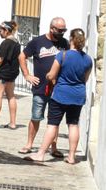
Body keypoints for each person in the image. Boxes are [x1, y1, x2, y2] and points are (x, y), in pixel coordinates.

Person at [30, 28, 94, 165]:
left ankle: (40, 154)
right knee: (73, 124)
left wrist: (48, 76)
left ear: (71, 39)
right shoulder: (88, 60)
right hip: (78, 96)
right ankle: (71, 157)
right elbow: (85, 79)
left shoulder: (62, 56)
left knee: (52, 124)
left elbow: (51, 75)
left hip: (60, 95)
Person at [18, 17, 69, 155]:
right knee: (36, 117)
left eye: (64, 30)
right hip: (41, 88)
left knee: (54, 120)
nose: (62, 33)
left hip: (58, 88)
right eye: (59, 30)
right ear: (51, 28)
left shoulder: (65, 43)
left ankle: (54, 147)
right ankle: (29, 144)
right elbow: (22, 56)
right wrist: (27, 75)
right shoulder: (37, 42)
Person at [0, 21, 22, 130]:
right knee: (11, 96)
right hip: (12, 73)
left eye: (0, 31)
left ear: (6, 31)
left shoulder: (5, 43)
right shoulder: (17, 43)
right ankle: (13, 123)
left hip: (2, 73)